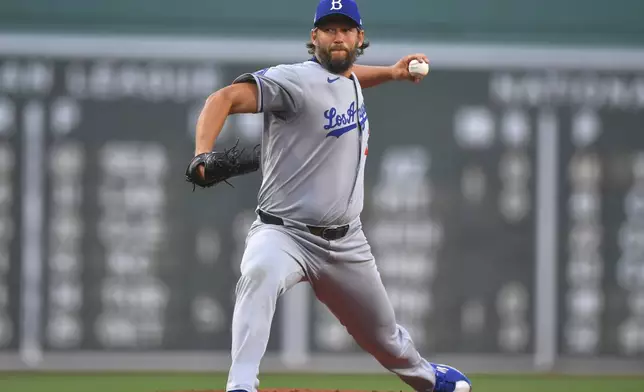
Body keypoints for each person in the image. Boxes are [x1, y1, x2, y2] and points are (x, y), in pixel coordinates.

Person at [192, 1, 472, 391]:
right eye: (328, 29)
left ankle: (428, 380)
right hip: (283, 233)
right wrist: (202, 153)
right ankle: (240, 385)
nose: (337, 36)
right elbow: (221, 99)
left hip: (346, 243)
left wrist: (392, 73)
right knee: (258, 274)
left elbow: (347, 77)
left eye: (345, 29)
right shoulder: (292, 80)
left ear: (359, 37)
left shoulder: (349, 78)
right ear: (314, 38)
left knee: (385, 337)